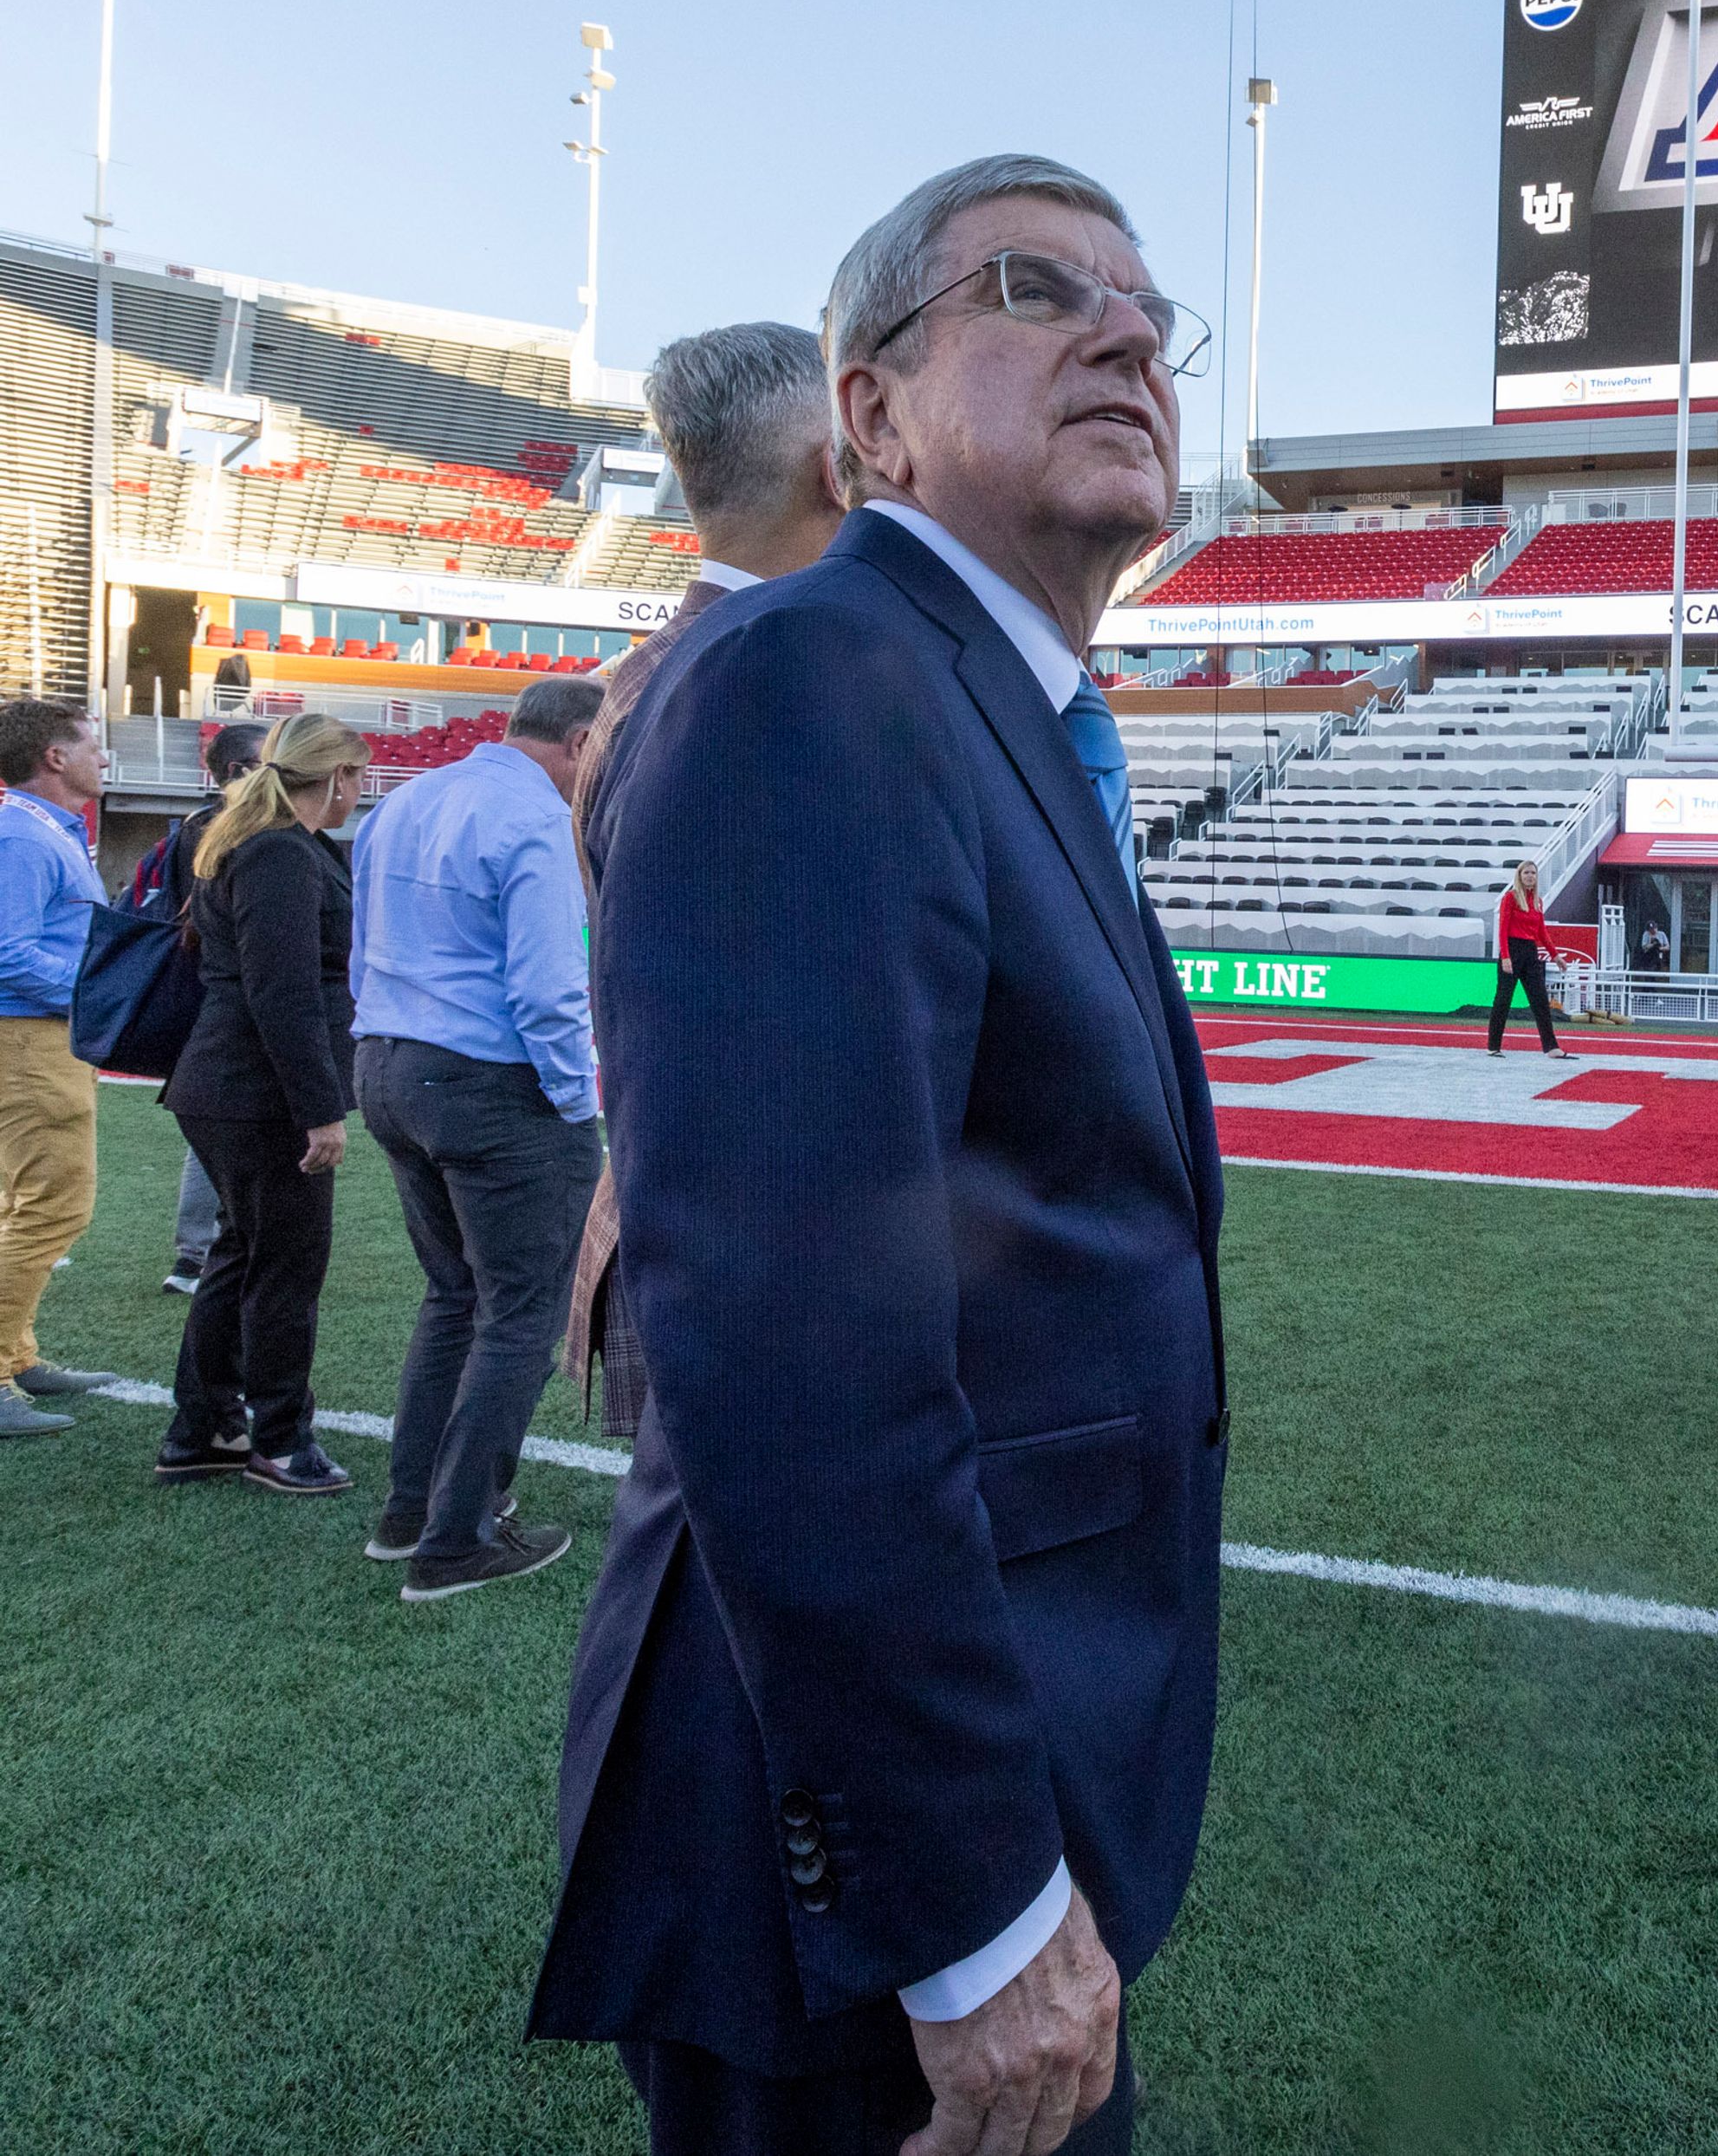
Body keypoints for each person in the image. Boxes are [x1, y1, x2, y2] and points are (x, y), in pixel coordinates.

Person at [532, 156, 1227, 2156]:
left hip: (972, 1772)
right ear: (870, 415)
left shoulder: (977, 700)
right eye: (1031, 286)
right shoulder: (811, 682)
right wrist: (973, 1916)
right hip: (854, 1865)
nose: (1123, 332)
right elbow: (792, 1349)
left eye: (1144, 308)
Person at [562, 318, 850, 1441]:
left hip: (704, 1236)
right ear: (840, 469)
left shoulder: (664, 671)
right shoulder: (767, 674)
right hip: (757, 1269)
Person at [351, 672, 607, 1600]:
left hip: (390, 1060)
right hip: (486, 1081)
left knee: (453, 1297)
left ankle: (412, 1508)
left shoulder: (408, 798)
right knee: (518, 1314)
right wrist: (578, 1105)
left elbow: (362, 941)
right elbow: (547, 990)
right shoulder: (535, 820)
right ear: (581, 743)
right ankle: (456, 1538)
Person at [152, 713, 371, 1495]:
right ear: (337, 776)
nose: (360, 789)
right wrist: (319, 1109)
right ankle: (279, 1439)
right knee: (283, 1268)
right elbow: (281, 992)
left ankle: (203, 1425)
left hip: (230, 1084)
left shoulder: (266, 842)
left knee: (242, 1253)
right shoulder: (280, 850)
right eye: (357, 774)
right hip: (255, 1090)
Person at [0, 699, 120, 1439]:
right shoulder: (21, 834)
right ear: (53, 756)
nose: (102, 757)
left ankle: (15, 1355)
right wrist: (96, 991)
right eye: (91, 744)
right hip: (29, 1036)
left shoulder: (36, 829)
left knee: (30, 1203)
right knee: (52, 1206)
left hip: (41, 1035)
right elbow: (8, 952)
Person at [132, 718, 267, 1301]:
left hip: (202, 993)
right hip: (222, 999)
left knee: (216, 1130)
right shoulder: (233, 829)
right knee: (229, 1128)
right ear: (239, 772)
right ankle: (204, 1251)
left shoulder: (193, 825)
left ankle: (200, 1251)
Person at [1488, 859, 1566, 1057]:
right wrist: (1505, 957)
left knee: (1540, 999)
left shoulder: (1537, 901)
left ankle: (1551, 1047)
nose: (1530, 876)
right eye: (1526, 873)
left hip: (1530, 953)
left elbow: (1542, 932)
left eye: (1533, 873)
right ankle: (1493, 1045)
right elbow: (1503, 930)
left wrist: (1555, 955)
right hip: (1512, 950)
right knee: (1503, 1000)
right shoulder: (1510, 898)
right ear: (1520, 876)